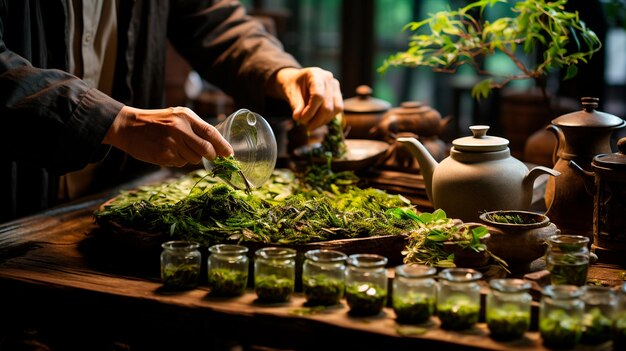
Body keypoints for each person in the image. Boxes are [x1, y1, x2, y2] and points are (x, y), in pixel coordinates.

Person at [0, 0, 343, 222]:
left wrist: (281, 73)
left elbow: (212, 19)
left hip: (115, 200)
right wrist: (114, 122)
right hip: (16, 202)